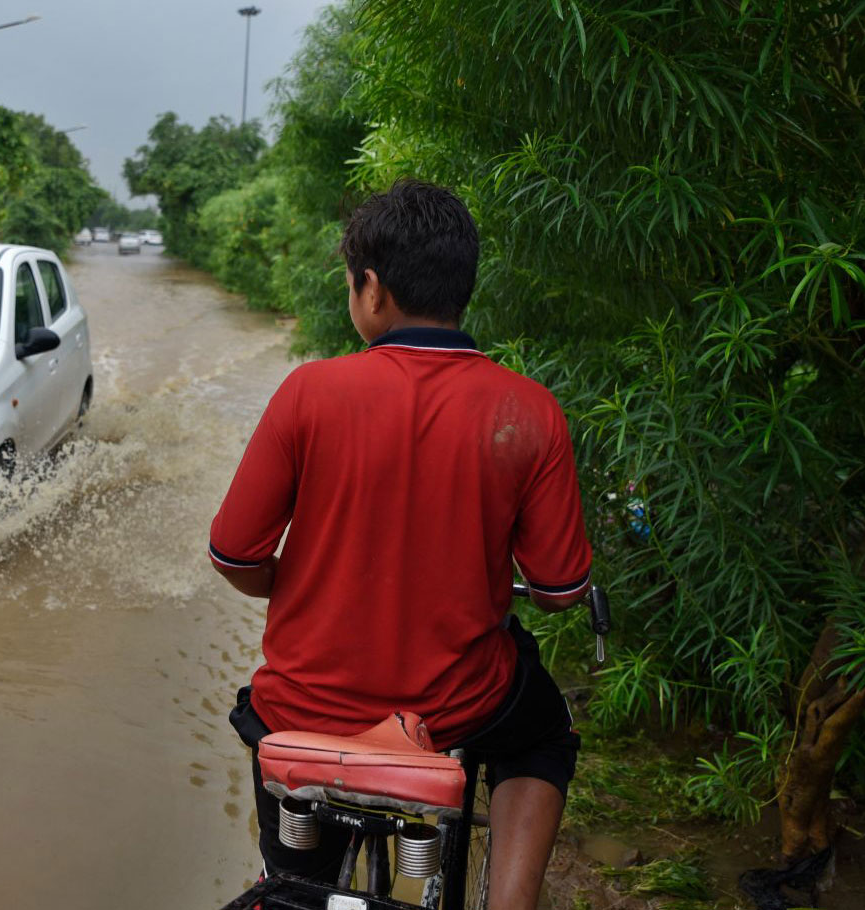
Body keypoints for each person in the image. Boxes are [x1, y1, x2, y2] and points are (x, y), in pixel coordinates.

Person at [208, 178, 592, 910]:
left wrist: (288, 582)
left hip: (302, 709)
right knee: (542, 735)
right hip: (458, 710)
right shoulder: (528, 411)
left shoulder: (308, 394)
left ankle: (297, 889)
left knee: (294, 885)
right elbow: (559, 588)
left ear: (372, 290)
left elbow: (234, 554)